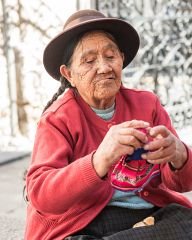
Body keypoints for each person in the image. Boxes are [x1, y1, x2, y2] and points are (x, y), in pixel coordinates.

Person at [25, 9, 192, 240]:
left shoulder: (147, 104)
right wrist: (99, 160)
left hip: (147, 214)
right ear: (69, 74)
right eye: (89, 61)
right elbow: (41, 194)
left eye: (111, 57)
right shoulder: (57, 118)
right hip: (83, 221)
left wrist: (179, 155)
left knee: (186, 222)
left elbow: (180, 183)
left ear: (122, 59)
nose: (104, 67)